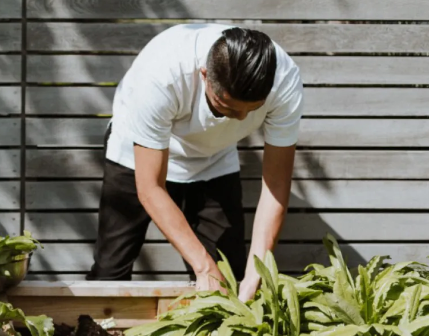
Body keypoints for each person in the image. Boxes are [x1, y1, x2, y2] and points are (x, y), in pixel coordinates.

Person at [87, 24, 303, 302]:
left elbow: (275, 185)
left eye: (252, 110)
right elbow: (150, 188)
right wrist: (203, 266)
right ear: (204, 76)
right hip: (136, 155)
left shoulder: (284, 80)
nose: (240, 119)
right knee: (109, 272)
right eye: (225, 107)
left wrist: (255, 273)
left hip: (214, 158)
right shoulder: (161, 74)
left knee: (228, 275)